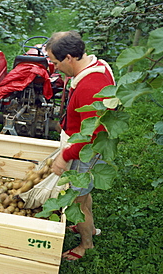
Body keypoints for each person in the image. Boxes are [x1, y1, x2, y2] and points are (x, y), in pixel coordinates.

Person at [45, 31, 115, 261]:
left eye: (55, 62)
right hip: (89, 148)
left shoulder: (90, 86)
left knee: (77, 201)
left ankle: (86, 244)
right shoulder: (97, 66)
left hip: (87, 151)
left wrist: (66, 155)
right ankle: (89, 227)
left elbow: (93, 134)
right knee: (84, 196)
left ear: (68, 58)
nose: (54, 68)